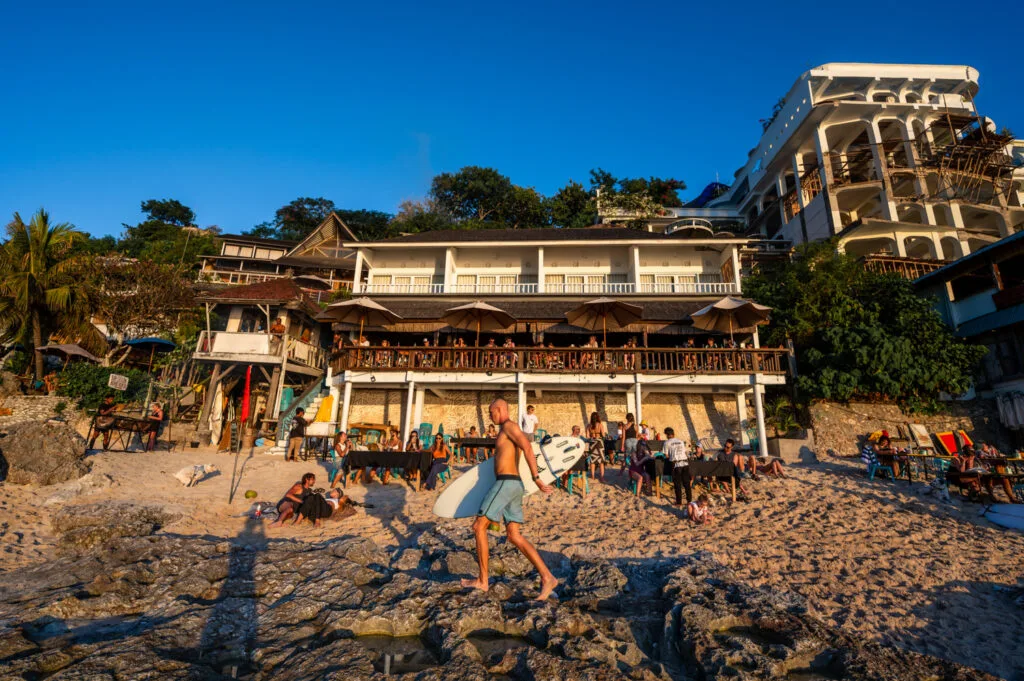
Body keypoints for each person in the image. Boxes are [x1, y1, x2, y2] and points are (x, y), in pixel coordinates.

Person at [461, 398, 558, 601]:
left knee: (479, 527)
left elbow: (528, 447)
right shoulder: (505, 430)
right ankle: (548, 577)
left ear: (499, 410)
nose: (489, 416)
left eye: (491, 412)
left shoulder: (509, 426)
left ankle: (483, 580)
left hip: (506, 483)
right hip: (515, 486)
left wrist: (538, 479)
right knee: (513, 535)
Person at [664, 427, 692, 506]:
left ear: (667, 435)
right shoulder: (681, 441)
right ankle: (689, 501)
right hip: (685, 463)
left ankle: (679, 502)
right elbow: (685, 452)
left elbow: (666, 455)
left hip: (676, 464)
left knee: (677, 484)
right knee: (686, 483)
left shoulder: (667, 442)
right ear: (673, 434)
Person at [586, 411, 607, 482]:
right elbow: (603, 435)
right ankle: (602, 477)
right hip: (599, 443)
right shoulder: (600, 425)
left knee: (593, 461)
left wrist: (592, 438)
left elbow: (587, 437)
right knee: (601, 461)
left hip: (592, 443)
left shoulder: (588, 426)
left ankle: (592, 476)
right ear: (598, 417)